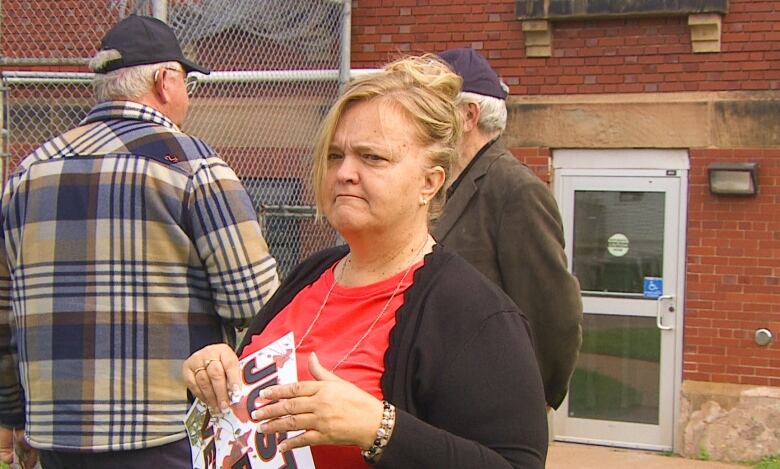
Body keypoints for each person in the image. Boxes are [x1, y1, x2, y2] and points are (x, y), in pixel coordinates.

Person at [183, 55, 548, 468]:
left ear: (430, 181)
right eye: (336, 156)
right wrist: (217, 373)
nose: (344, 173)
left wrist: (380, 429)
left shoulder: (474, 313)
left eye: (372, 158)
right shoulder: (311, 275)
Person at [0, 14, 280, 468]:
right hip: (164, 433)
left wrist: (11, 412)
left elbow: (4, 317)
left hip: (56, 436)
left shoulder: (26, 173)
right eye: (187, 81)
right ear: (167, 81)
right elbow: (259, 305)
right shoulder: (194, 164)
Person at [433, 47, 583, 410]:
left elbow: (554, 316)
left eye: (433, 107)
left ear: (468, 115)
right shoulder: (438, 184)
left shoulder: (515, 190)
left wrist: (532, 403)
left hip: (494, 407)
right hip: (442, 397)